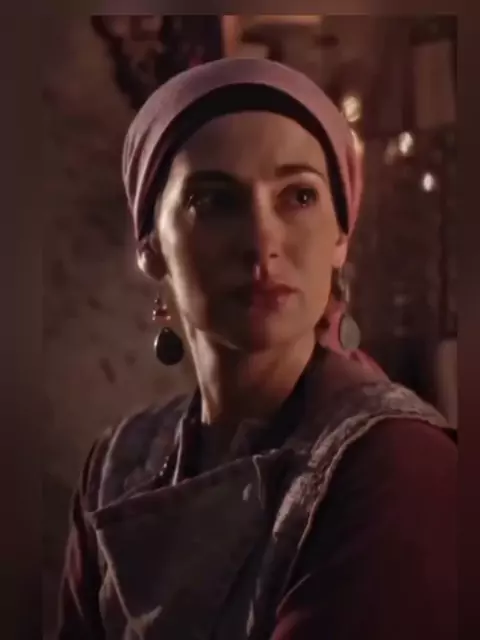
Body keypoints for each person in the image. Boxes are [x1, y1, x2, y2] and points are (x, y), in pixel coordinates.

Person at [57, 58, 456, 640]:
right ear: (151, 245)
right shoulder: (117, 465)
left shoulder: (395, 462)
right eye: (214, 200)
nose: (262, 240)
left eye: (299, 196)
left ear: (340, 235)